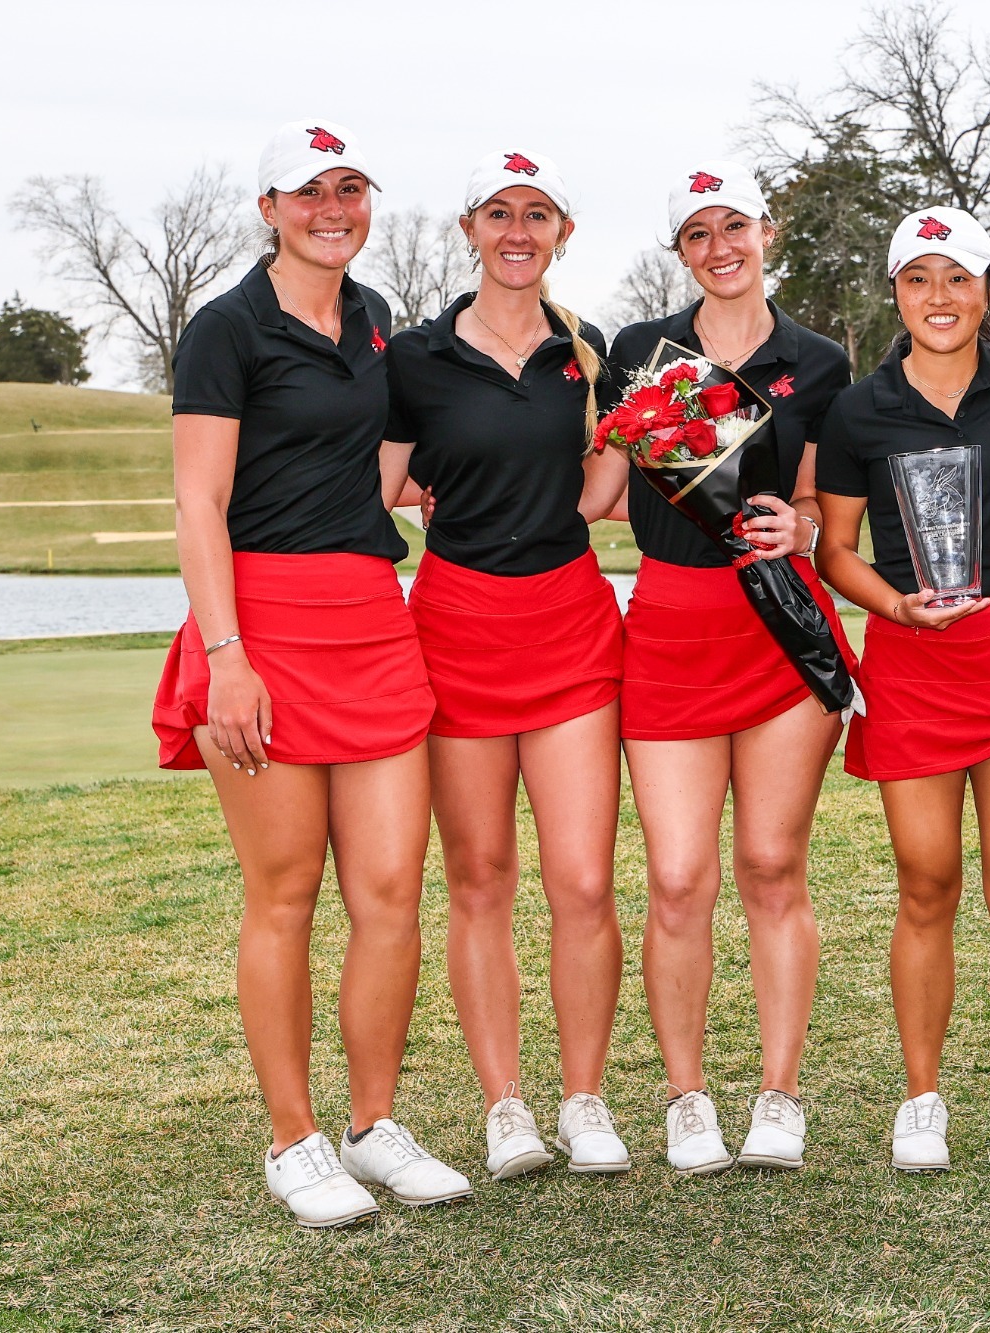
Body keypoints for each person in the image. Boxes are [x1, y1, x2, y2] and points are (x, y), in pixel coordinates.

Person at [150, 120, 469, 1228]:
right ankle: (293, 1139)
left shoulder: (374, 317)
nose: (333, 208)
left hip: (370, 619)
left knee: (388, 894)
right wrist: (225, 657)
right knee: (284, 893)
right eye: (309, 193)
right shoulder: (225, 328)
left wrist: (425, 481)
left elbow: (366, 463)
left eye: (350, 190)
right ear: (269, 209)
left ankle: (371, 1126)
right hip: (263, 622)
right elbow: (198, 502)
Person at [380, 149, 632, 1181]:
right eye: (498, 212)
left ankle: (583, 1099)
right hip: (455, 628)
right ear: (468, 229)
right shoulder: (415, 354)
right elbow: (381, 480)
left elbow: (601, 486)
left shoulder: (588, 348)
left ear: (562, 231)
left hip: (570, 624)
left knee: (581, 878)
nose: (517, 230)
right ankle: (504, 1109)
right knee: (479, 878)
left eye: (538, 213)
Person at [604, 160, 854, 1175]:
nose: (720, 248)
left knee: (769, 864)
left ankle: (780, 1095)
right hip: (669, 619)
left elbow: (821, 505)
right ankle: (686, 1096)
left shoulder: (821, 360)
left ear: (766, 230)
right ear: (680, 252)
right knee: (675, 876)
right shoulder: (637, 351)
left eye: (734, 227)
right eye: (697, 234)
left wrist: (800, 522)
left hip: (776, 627)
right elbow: (606, 487)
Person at [815, 207, 990, 1173]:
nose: (939, 298)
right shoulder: (858, 408)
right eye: (919, 279)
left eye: (957, 278)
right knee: (926, 883)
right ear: (896, 293)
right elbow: (835, 547)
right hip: (913, 656)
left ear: (986, 287)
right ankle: (922, 1097)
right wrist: (897, 604)